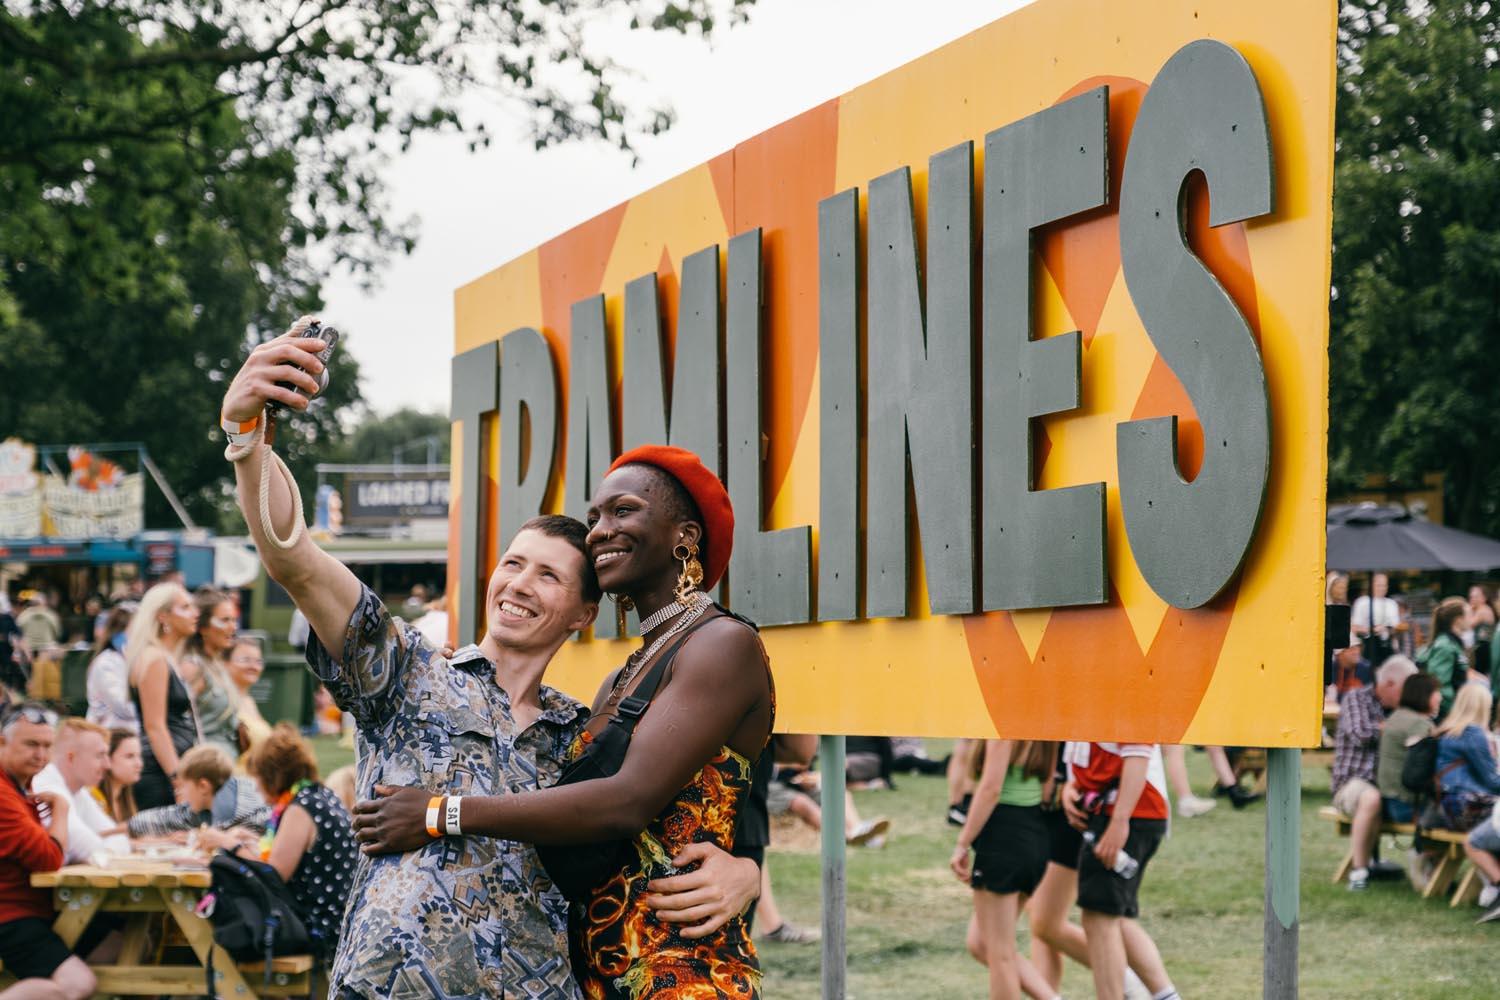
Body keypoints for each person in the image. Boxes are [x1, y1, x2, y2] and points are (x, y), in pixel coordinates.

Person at [220, 319, 757, 1000]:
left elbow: (661, 814)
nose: (519, 585)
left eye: (548, 576)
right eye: (512, 564)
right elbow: (295, 560)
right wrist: (246, 439)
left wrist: (745, 872)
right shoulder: (408, 673)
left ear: (582, 614)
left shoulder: (585, 734)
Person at [353, 445, 775, 1000]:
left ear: (685, 536)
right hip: (591, 975)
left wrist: (440, 813)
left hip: (680, 970)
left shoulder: (722, 644)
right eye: (595, 517)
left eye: (623, 511)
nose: (600, 531)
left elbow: (628, 801)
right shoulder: (622, 677)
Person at [1061, 742, 1178, 1000]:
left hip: (1129, 810)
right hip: (1117, 807)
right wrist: (1074, 786)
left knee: (1100, 917)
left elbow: (1138, 751)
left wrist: (1119, 821)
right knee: (1110, 917)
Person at [0, 703, 97, 1000]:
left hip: (35, 909)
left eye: (46, 746)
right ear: (2, 742)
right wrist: (62, 810)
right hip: (10, 917)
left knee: (121, 936)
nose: (41, 755)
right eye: (31, 744)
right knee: (78, 983)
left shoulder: (19, 790)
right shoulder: (3, 796)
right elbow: (50, 858)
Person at [239, 724, 357, 962]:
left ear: (272, 775)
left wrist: (232, 848)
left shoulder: (301, 807)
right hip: (341, 925)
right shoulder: (320, 796)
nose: (257, 788)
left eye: (257, 778)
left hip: (318, 930)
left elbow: (272, 875)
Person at [950, 740, 1058, 1000]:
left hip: (1004, 836)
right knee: (981, 942)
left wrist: (963, 843)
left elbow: (991, 789)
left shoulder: (1004, 728)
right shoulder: (1047, 722)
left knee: (1000, 954)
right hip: (1033, 833)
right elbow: (1048, 788)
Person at [1331, 655, 1418, 889]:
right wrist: (1395, 728)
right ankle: (1359, 873)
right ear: (1389, 683)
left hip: (1389, 786)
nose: (1408, 696)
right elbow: (1360, 734)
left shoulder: (1400, 710)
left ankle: (1429, 873)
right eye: (1405, 689)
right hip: (1352, 785)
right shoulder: (1356, 698)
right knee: (1371, 798)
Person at [125, 582, 201, 808]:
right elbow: (155, 727)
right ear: (163, 616)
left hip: (169, 767)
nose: (195, 613)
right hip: (160, 774)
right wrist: (178, 780)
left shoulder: (164, 657)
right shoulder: (154, 659)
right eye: (185, 607)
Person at [31, 719, 129, 863]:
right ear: (71, 757)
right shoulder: (47, 787)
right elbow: (87, 849)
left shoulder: (79, 791)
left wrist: (103, 851)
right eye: (99, 755)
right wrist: (104, 851)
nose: (107, 765)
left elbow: (121, 841)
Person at [125, 744, 267, 842]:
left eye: (183, 786)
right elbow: (144, 822)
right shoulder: (201, 808)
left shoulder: (259, 817)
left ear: (203, 786)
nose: (179, 792)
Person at [179, 588, 242, 759]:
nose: (233, 627)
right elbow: (178, 723)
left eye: (234, 620)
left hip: (226, 761)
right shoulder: (192, 666)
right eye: (225, 620)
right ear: (203, 627)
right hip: (203, 763)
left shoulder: (217, 664)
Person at [1433, 684, 1500, 832]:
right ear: (1483, 707)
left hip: (1448, 809)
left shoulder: (1446, 732)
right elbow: (1492, 781)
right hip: (1468, 806)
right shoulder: (1473, 733)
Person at [1376, 670, 1440, 825]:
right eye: (1436, 692)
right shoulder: (1419, 724)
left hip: (1389, 802)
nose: (1440, 697)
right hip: (1409, 807)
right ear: (1424, 695)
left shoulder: (1396, 716)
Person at [85, 604, 137, 733]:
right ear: (119, 633)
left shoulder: (130, 661)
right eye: (135, 630)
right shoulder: (107, 663)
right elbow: (123, 706)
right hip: (109, 734)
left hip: (128, 734)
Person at [1418, 596, 1471, 719]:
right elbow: (1439, 684)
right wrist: (1454, 711)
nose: (1472, 618)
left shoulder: (1453, 643)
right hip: (1447, 714)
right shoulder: (1445, 646)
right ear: (1458, 620)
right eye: (1469, 614)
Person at [225, 636, 272, 755]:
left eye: (258, 662)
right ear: (225, 662)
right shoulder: (223, 700)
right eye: (245, 660)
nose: (253, 667)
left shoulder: (249, 700)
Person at [1352, 573, 1402, 667]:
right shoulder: (1362, 602)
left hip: (1388, 645)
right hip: (1369, 645)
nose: (1382, 588)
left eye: (1384, 585)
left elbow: (1397, 627)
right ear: (1371, 585)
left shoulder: (1392, 604)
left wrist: (1386, 628)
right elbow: (1354, 627)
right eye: (1379, 585)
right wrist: (1370, 630)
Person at [97, 728, 142, 823]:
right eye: (129, 756)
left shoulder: (126, 803)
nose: (139, 764)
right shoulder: (93, 799)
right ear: (107, 758)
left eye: (139, 756)